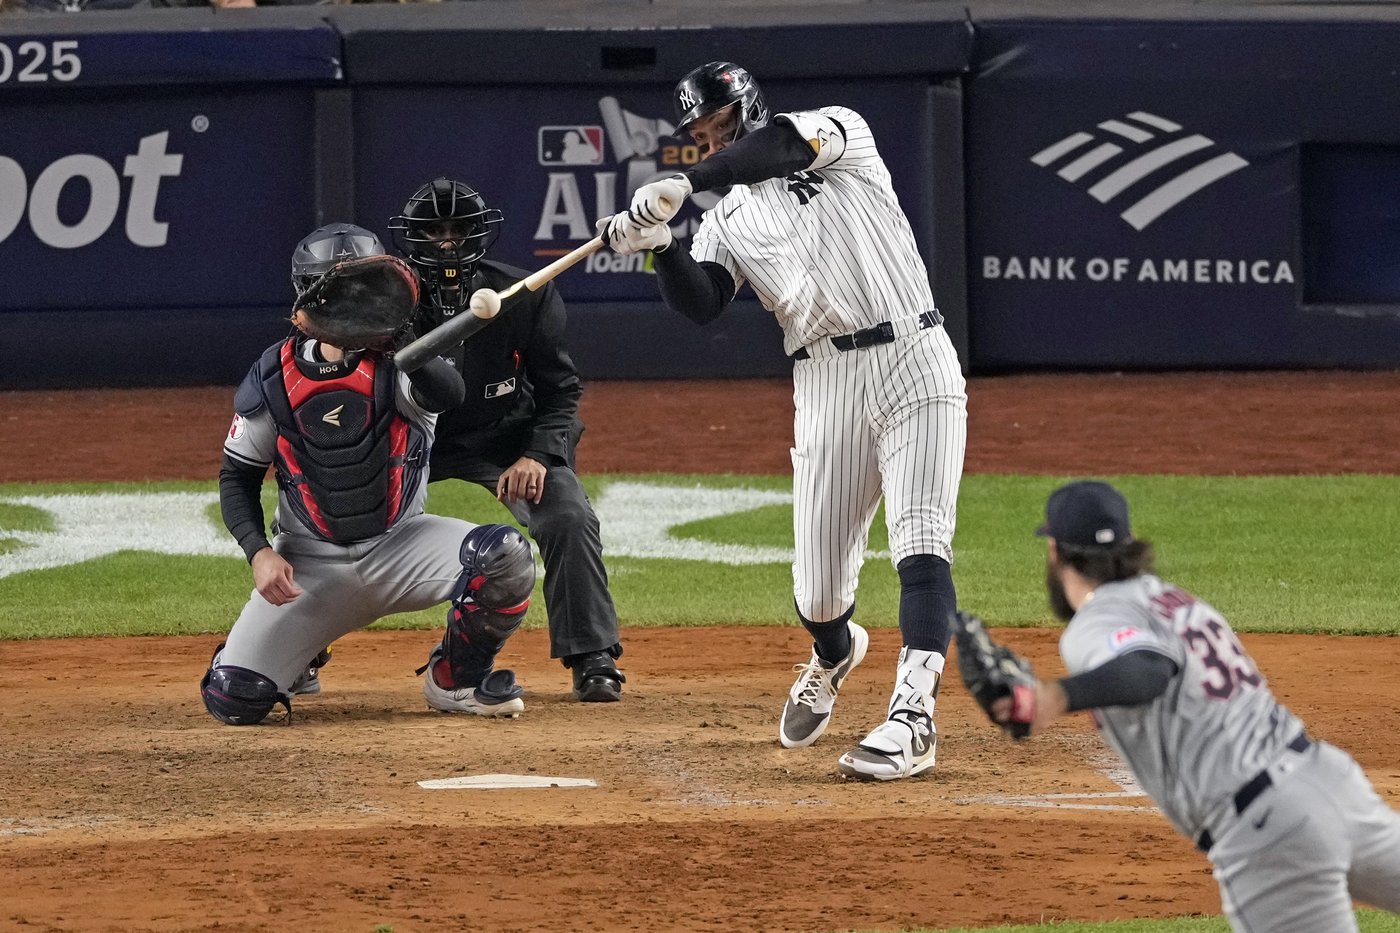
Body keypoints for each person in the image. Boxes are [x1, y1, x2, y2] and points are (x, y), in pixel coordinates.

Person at [602, 62, 967, 780]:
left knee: (922, 542)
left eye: (718, 120)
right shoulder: (727, 219)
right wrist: (662, 246)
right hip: (825, 380)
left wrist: (689, 181)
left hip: (917, 355)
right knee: (818, 592)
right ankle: (834, 651)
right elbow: (704, 301)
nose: (712, 136)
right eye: (699, 132)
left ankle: (913, 715)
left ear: (747, 103)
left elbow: (778, 148)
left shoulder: (837, 133)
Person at [974, 479, 1400, 932]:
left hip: (1270, 831)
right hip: (1332, 782)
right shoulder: (1170, 597)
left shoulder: (1095, 622)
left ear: (1055, 553)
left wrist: (1054, 697)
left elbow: (1149, 669)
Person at [200, 222, 537, 724]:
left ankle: (455, 680)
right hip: (310, 565)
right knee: (234, 697)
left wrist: (402, 337)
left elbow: (448, 395)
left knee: (505, 560)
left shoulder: (407, 363)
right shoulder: (273, 374)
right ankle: (305, 650)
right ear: (310, 295)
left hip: (401, 547)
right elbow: (238, 476)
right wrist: (260, 554)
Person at [389, 178, 625, 702]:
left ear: (481, 235)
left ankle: (592, 657)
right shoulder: (387, 301)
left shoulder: (523, 293)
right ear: (413, 238)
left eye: (459, 230)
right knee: (344, 512)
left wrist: (538, 453)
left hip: (502, 436)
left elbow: (561, 388)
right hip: (406, 438)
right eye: (434, 231)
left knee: (567, 513)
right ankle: (301, 654)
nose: (447, 243)